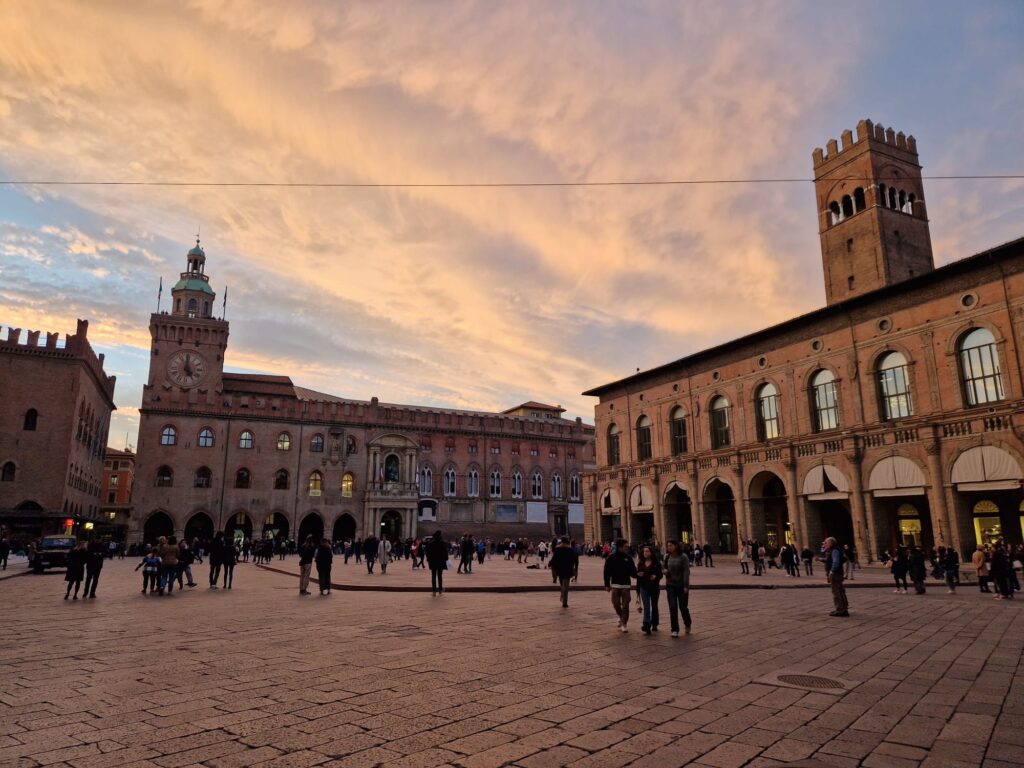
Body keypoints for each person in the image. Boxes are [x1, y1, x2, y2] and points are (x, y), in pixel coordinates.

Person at [603, 540, 637, 633]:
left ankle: (624, 623)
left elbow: (633, 572)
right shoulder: (611, 557)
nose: (627, 548)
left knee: (625, 605)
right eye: (625, 546)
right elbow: (607, 572)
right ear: (620, 547)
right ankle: (621, 617)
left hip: (626, 585)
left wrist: (639, 575)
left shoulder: (628, 558)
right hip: (615, 584)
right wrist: (607, 584)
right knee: (616, 604)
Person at [663, 540, 692, 636]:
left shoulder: (683, 557)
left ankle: (687, 623)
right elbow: (663, 568)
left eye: (671, 545)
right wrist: (664, 571)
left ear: (676, 546)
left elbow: (686, 572)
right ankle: (674, 629)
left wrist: (686, 585)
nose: (669, 547)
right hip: (670, 585)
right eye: (668, 546)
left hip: (681, 585)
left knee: (683, 607)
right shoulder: (667, 557)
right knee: (672, 607)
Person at [635, 545, 663, 635]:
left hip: (654, 587)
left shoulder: (656, 563)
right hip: (644, 587)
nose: (645, 553)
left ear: (651, 552)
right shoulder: (640, 564)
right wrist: (638, 576)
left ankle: (654, 623)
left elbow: (660, 575)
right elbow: (638, 576)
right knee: (646, 607)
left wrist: (656, 576)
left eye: (647, 551)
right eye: (644, 551)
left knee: (654, 606)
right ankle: (646, 624)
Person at [821, 537, 848, 616]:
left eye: (826, 543)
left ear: (831, 543)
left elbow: (835, 561)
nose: (825, 544)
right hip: (838, 572)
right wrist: (820, 559)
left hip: (835, 573)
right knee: (840, 590)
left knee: (836, 591)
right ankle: (844, 608)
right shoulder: (834, 549)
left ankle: (839, 609)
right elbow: (830, 560)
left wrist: (832, 571)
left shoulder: (834, 550)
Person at [548, 537, 579, 608]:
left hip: (560, 569)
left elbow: (554, 558)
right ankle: (565, 601)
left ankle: (563, 595)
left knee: (562, 584)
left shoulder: (558, 549)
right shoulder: (570, 550)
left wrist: (550, 563)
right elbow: (575, 559)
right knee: (566, 586)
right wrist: (576, 568)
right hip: (568, 569)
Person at [425, 530, 448, 596]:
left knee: (433, 576)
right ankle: (440, 590)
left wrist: (429, 560)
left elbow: (427, 553)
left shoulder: (430, 543)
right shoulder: (443, 543)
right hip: (441, 561)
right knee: (440, 576)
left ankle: (434, 591)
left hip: (433, 562)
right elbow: (445, 553)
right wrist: (446, 559)